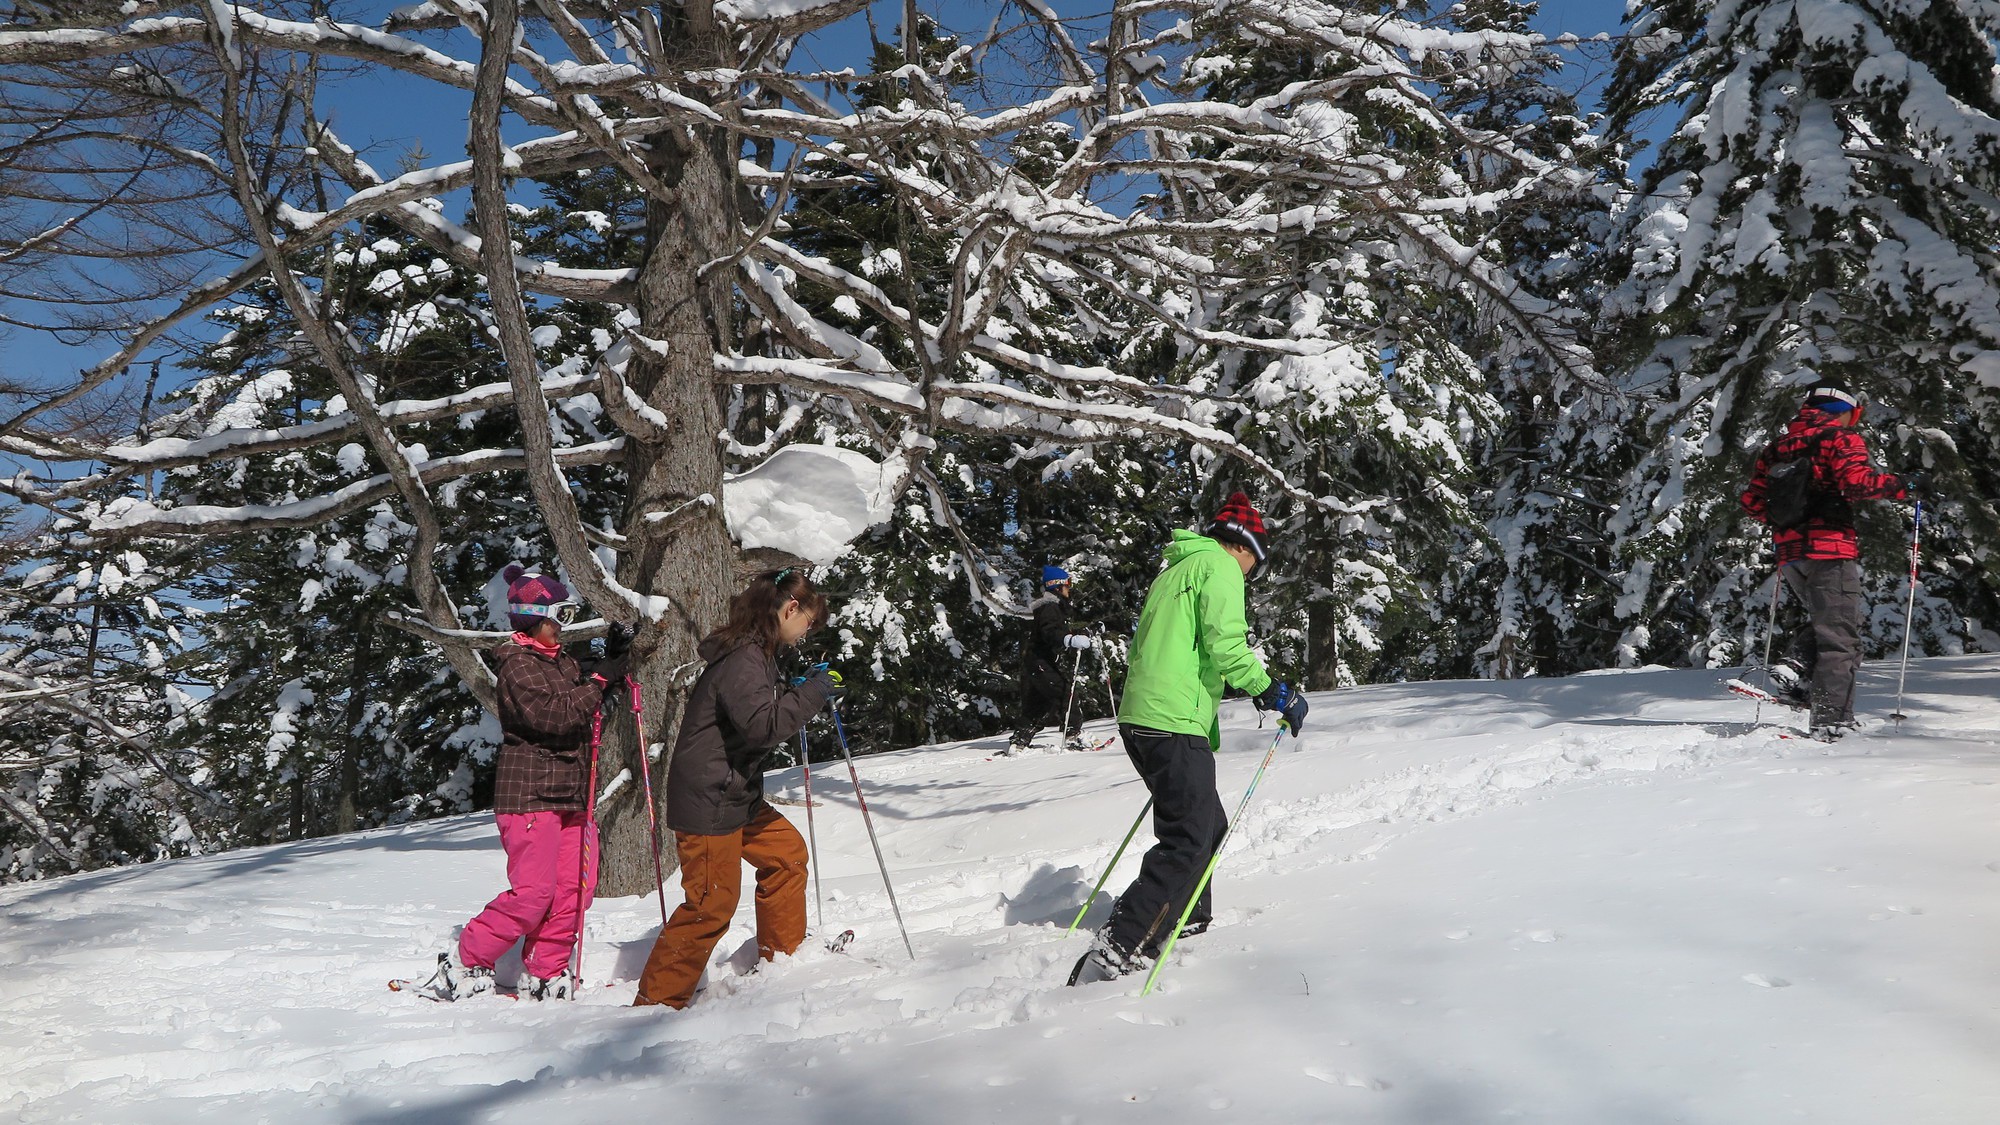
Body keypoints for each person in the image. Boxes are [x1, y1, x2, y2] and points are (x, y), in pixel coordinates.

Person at [1069, 492, 1308, 985]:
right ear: (1244, 547)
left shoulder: (1175, 569)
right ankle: (1120, 945)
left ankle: (1185, 918)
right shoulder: (1219, 568)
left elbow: (1160, 643)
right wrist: (1272, 693)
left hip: (1145, 717)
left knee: (1207, 824)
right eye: (1254, 567)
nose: (1250, 576)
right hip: (1171, 719)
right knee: (1188, 837)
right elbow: (1226, 644)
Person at [634, 567, 841, 1009]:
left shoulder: (756, 655)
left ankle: (780, 961)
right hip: (710, 799)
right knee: (710, 905)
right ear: (790, 608)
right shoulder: (745, 658)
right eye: (809, 621)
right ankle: (655, 1004)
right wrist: (814, 693)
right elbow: (762, 726)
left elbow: (757, 709)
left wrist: (796, 688)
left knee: (786, 855)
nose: (808, 631)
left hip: (734, 795)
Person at [438, 564, 629, 1001]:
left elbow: (583, 706)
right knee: (533, 895)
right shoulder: (518, 667)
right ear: (534, 619)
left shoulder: (559, 661)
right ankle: (466, 958)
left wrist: (608, 670)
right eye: (556, 617)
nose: (562, 626)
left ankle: (547, 969)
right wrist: (601, 679)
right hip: (530, 796)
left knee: (573, 891)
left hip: (572, 794)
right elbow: (556, 716)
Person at [1740, 383, 1916, 741]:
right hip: (1830, 548)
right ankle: (1832, 723)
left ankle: (1797, 671)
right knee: (1840, 638)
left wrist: (1791, 524)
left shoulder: (1776, 449)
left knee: (1831, 625)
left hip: (1790, 555)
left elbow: (1752, 503)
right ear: (1846, 411)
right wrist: (1905, 484)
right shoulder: (1839, 438)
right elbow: (1858, 484)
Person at [1008, 565, 1094, 754]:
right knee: (1066, 692)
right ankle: (1074, 734)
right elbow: (1050, 632)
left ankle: (1019, 740)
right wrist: (1068, 639)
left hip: (1038, 662)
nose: (1069, 589)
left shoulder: (1054, 608)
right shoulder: (1050, 607)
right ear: (1057, 586)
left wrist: (1083, 633)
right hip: (1039, 661)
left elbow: (1058, 631)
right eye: (1067, 584)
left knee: (1040, 702)